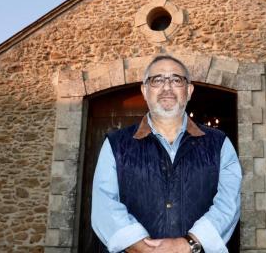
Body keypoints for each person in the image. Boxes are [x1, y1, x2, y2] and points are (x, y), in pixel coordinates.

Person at [91, 55, 242, 253]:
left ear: (188, 91)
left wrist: (188, 244)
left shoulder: (220, 143)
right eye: (157, 80)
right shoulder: (115, 144)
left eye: (176, 80)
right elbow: (105, 206)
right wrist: (144, 249)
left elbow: (228, 204)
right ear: (145, 91)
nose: (167, 87)